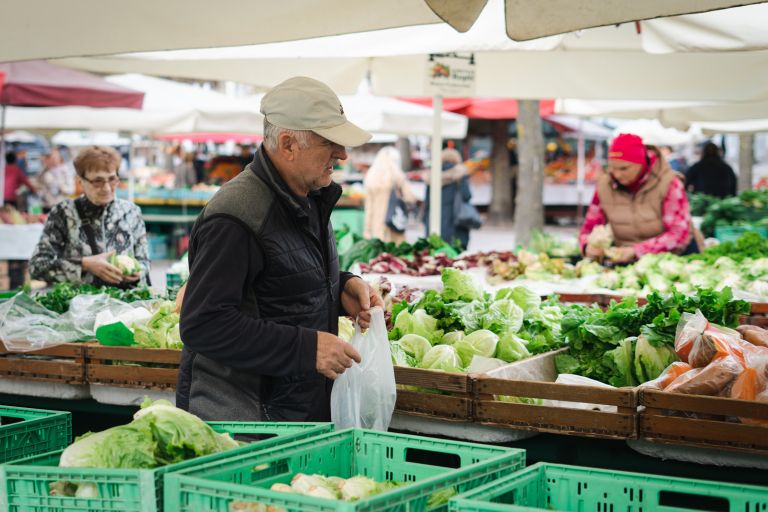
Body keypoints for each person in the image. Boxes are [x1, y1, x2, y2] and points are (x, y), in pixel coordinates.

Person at [177, 76, 384, 422]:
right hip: (246, 422)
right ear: (288, 145)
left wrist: (341, 288)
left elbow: (277, 288)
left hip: (290, 410)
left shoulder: (306, 196)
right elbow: (204, 324)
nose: (343, 154)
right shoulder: (236, 217)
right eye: (330, 142)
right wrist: (307, 349)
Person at [29, 146, 150, 287]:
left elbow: (144, 261)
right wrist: (84, 265)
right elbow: (37, 266)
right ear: (80, 181)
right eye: (97, 181)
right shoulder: (64, 213)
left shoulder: (131, 212)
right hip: (79, 305)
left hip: (126, 304)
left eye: (112, 179)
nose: (106, 188)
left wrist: (138, 272)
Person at [580, 133, 697, 263]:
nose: (617, 174)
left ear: (641, 163)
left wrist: (637, 250)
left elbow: (679, 234)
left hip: (671, 262)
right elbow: (588, 228)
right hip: (624, 264)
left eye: (624, 168)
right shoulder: (604, 185)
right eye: (612, 167)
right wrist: (587, 246)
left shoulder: (670, 183)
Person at [363, 146, 417, 242]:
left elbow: (369, 207)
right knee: (395, 253)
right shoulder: (397, 175)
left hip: (377, 224)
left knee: (380, 253)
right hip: (394, 222)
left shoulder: (371, 175)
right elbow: (410, 197)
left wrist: (367, 229)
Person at [423, 148, 474, 250]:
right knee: (453, 250)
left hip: (433, 217)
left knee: (435, 250)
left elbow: (427, 200)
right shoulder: (460, 174)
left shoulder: (432, 175)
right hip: (454, 217)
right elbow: (466, 195)